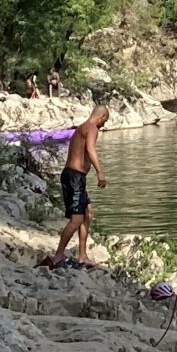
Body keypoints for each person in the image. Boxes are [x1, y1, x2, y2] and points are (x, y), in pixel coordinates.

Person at [45, 103, 111, 269]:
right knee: (76, 220)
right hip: (74, 177)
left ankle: (82, 255)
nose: (104, 125)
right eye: (105, 121)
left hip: (75, 177)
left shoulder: (81, 128)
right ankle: (58, 255)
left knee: (88, 214)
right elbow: (90, 149)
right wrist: (100, 172)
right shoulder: (92, 128)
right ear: (101, 117)